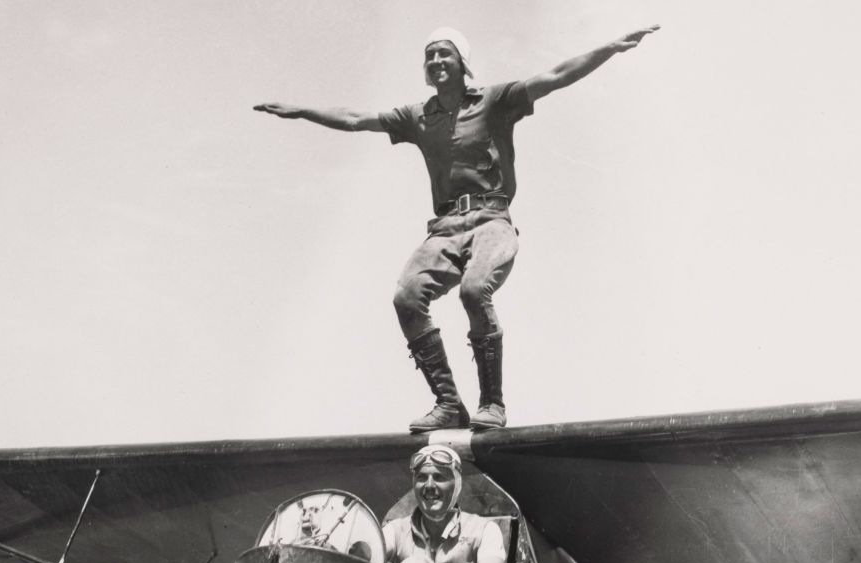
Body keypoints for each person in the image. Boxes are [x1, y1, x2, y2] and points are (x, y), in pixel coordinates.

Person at [254, 25, 660, 432]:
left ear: (462, 62)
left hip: (491, 218)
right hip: (445, 227)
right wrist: (303, 111)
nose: (435, 61)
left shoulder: (494, 100)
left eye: (444, 54)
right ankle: (448, 403)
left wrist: (608, 48)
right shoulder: (418, 116)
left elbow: (554, 77)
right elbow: (357, 118)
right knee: (407, 297)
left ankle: (493, 404)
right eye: (430, 56)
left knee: (473, 289)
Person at [381, 444, 505, 563]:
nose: (429, 485)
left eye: (439, 477)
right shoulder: (395, 529)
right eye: (422, 477)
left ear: (456, 484)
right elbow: (370, 557)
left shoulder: (484, 530)